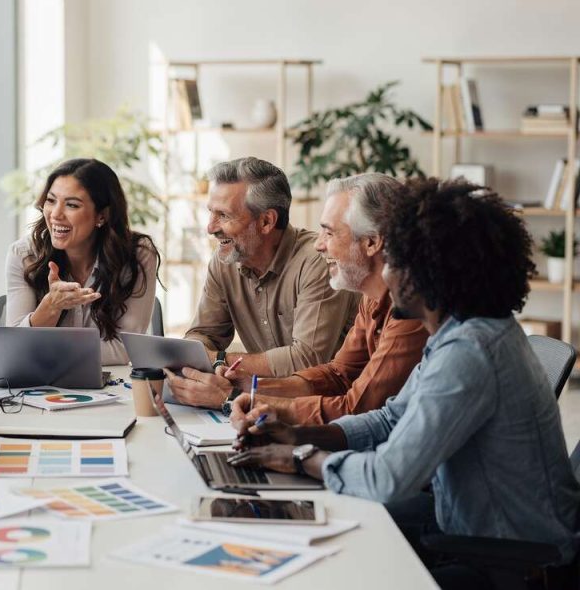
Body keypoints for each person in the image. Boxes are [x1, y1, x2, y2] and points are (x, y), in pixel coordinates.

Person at [229, 178, 580, 585]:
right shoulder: (457, 332)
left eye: (393, 260)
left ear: (426, 272)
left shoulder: (470, 353)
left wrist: (298, 457)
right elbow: (389, 419)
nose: (385, 272)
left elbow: (387, 478)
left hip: (510, 560)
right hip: (467, 523)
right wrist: (296, 434)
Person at [168, 173, 428, 423]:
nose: (319, 244)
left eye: (329, 233)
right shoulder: (372, 298)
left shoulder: (411, 310)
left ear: (371, 243)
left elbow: (357, 408)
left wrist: (231, 397)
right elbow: (337, 375)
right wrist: (249, 386)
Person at [171, 156, 359, 407]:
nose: (210, 227)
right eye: (211, 213)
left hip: (326, 408)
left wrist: (218, 360)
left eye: (223, 215)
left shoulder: (317, 261)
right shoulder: (225, 260)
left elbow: (307, 360)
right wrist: (193, 361)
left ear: (266, 221)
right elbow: (203, 334)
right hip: (258, 402)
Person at [5, 158, 161, 365]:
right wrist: (51, 306)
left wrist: (43, 350)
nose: (55, 214)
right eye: (51, 200)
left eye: (72, 205)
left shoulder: (137, 255)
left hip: (107, 382)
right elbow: (15, 348)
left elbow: (125, 348)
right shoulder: (24, 254)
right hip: (40, 381)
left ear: (102, 215)